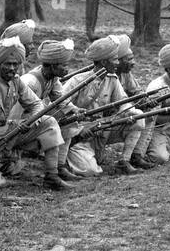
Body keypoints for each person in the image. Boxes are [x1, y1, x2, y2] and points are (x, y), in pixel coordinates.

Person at [0, 37, 69, 190]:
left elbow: (36, 103)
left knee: (49, 122)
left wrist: (31, 120)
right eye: (7, 64)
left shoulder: (16, 81)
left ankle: (52, 176)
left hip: (8, 132)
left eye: (15, 64)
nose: (12, 68)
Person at [63, 36, 151, 174]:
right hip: (79, 135)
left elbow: (124, 102)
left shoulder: (112, 79)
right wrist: (78, 129)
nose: (117, 62)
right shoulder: (77, 80)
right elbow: (60, 105)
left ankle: (124, 161)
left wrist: (129, 113)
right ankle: (67, 158)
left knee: (139, 116)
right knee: (91, 171)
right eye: (115, 59)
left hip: (103, 129)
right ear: (104, 62)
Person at [19, 38, 86, 180]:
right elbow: (14, 113)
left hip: (33, 118)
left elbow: (61, 100)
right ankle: (51, 175)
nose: (67, 69)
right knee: (51, 123)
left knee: (69, 120)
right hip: (20, 125)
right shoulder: (31, 82)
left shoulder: (52, 78)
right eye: (64, 65)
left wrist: (74, 110)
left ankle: (60, 166)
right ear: (52, 66)